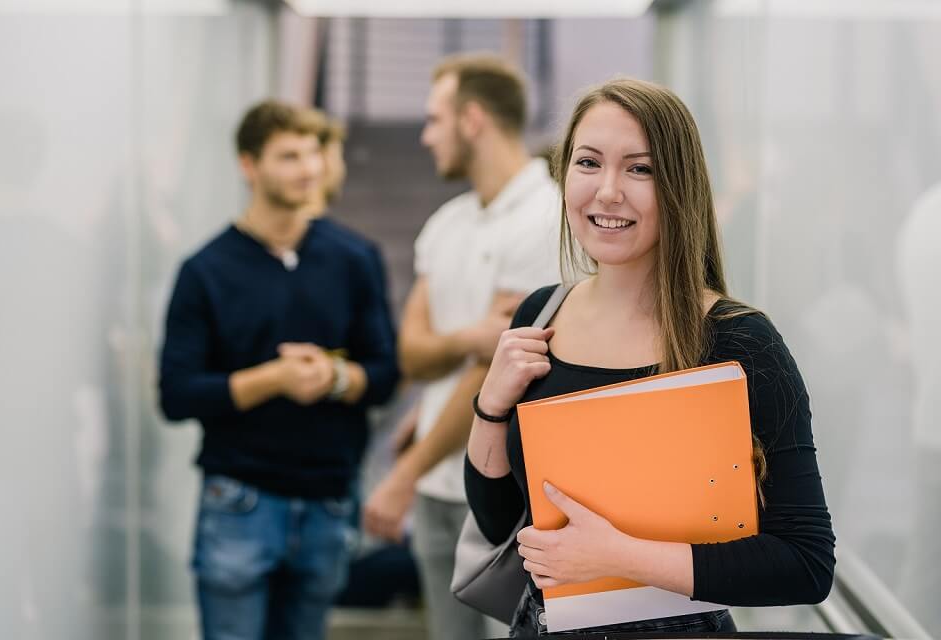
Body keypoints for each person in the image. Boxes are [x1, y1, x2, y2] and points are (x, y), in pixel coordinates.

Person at [464, 78, 837, 636]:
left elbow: (806, 565)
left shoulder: (740, 340)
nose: (608, 192)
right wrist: (490, 406)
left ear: (679, 187)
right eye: (588, 163)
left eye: (640, 169)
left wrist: (619, 557)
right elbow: (500, 524)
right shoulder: (541, 315)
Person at [158, 100, 399, 640]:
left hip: (329, 498)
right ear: (249, 165)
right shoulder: (205, 271)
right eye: (288, 156)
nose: (308, 169)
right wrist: (275, 379)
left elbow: (385, 373)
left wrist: (334, 379)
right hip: (240, 499)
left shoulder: (354, 258)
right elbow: (176, 396)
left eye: (313, 153)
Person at [362, 53, 561, 640]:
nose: (426, 136)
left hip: (506, 489)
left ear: (472, 120)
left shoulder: (546, 219)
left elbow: (494, 378)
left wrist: (403, 473)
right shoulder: (448, 222)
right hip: (436, 484)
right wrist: (469, 339)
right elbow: (412, 353)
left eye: (434, 119)